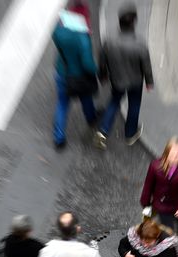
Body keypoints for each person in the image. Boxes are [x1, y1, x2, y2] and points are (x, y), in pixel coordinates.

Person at [95, 2, 154, 149]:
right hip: (135, 81)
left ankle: (102, 132)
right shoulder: (140, 44)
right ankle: (130, 134)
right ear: (134, 22)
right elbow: (146, 65)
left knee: (114, 102)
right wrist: (149, 82)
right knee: (134, 105)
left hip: (117, 80)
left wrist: (102, 76)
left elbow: (102, 61)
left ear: (119, 22)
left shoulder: (109, 42)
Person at [52, 6, 98, 149]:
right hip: (79, 77)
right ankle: (91, 118)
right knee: (86, 98)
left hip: (62, 72)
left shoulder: (58, 30)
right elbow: (88, 64)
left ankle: (59, 137)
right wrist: (97, 71)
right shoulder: (82, 38)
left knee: (62, 104)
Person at [140, 136, 178, 235]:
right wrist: (145, 203)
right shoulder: (155, 166)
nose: (175, 156)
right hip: (162, 206)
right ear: (167, 151)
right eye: (172, 152)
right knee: (168, 230)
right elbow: (148, 185)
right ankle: (170, 238)